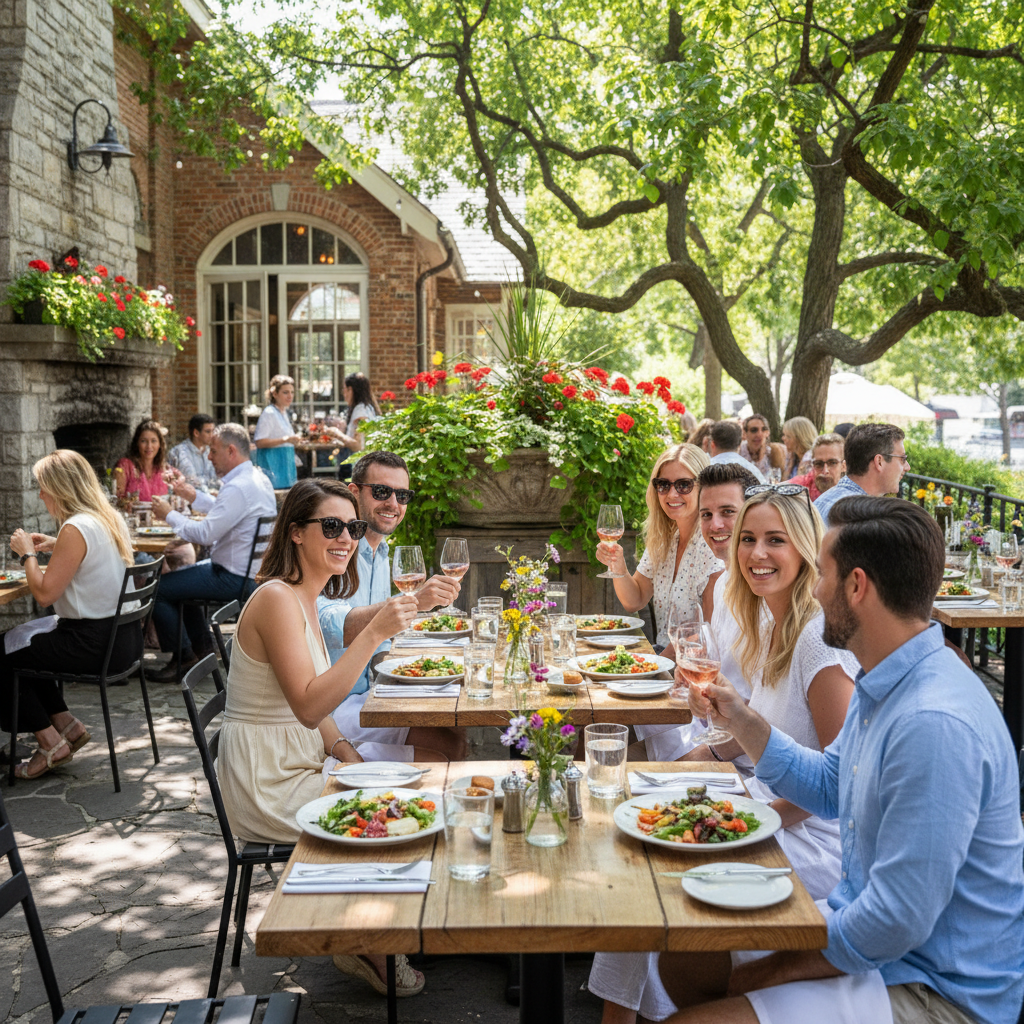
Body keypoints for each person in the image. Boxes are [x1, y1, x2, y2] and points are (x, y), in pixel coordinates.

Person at [656, 497, 1024, 1024]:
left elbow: (894, 922)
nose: (815, 589)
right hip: (878, 945)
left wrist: (765, 975)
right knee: (689, 958)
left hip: (935, 989)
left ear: (857, 586)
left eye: (822, 574)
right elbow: (831, 784)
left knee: (696, 1009)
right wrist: (739, 716)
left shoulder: (933, 722)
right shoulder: (889, 678)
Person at [589, 482, 859, 1024]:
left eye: (775, 540)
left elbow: (840, 784)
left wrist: (752, 818)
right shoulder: (768, 620)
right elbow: (757, 731)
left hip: (814, 837)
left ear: (806, 548)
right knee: (637, 832)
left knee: (655, 868)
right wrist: (708, 743)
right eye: (749, 539)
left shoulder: (815, 639)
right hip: (761, 803)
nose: (758, 554)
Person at [215, 477, 426, 998]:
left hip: (301, 758)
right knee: (395, 807)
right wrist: (375, 633)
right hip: (268, 781)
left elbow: (315, 707)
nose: (346, 538)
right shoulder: (276, 600)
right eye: (331, 526)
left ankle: (367, 926)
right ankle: (367, 943)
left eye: (351, 526)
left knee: (423, 778)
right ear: (295, 534)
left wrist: (345, 749)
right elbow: (309, 704)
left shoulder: (305, 596)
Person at [317, 451, 467, 761]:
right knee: (447, 744)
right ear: (354, 492)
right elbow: (331, 628)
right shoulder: (338, 549)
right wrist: (412, 602)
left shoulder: (381, 552)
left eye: (402, 495)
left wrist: (405, 672)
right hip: (332, 708)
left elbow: (382, 640)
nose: (393, 504)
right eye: (382, 492)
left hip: (370, 692)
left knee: (457, 725)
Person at [2, 450, 137, 779]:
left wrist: (27, 554)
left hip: (93, 643)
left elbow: (46, 593)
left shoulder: (76, 528)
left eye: (43, 487)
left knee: (3, 651)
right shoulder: (107, 516)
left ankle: (50, 743)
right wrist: (54, 544)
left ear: (60, 488)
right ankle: (68, 726)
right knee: (18, 643)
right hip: (124, 638)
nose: (40, 494)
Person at [148, 424, 276, 681]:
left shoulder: (239, 486)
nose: (208, 457)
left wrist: (168, 514)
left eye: (213, 451)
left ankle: (184, 657)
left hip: (234, 578)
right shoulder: (256, 478)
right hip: (249, 574)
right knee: (183, 580)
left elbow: (206, 534)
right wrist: (193, 496)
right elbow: (224, 509)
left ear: (231, 451)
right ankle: (203, 651)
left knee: (158, 588)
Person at [596, 443, 719, 650]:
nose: (672, 494)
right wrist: (617, 565)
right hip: (662, 655)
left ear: (703, 488)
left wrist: (656, 667)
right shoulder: (665, 540)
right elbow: (634, 600)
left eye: (684, 485)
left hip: (692, 664)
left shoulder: (712, 546)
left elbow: (708, 631)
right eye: (663, 485)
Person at [813, 423, 908, 526]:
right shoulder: (863, 518)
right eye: (902, 459)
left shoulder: (825, 500)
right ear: (879, 462)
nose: (907, 467)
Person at [253, 374, 302, 488]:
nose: (290, 396)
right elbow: (260, 442)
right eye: (285, 392)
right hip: (273, 467)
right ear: (275, 394)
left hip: (286, 468)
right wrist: (285, 439)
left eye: (292, 392)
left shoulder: (283, 412)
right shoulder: (269, 413)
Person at [114, 419, 181, 502]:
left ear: (160, 444)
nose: (149, 446)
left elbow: (181, 477)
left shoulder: (162, 468)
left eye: (153, 441)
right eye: (143, 441)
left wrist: (177, 483)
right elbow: (116, 499)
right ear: (137, 443)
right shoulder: (125, 465)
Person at [167, 413, 219, 493]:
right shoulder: (179, 453)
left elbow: (217, 478)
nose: (212, 435)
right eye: (208, 432)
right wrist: (210, 492)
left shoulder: (211, 452)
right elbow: (191, 482)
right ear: (196, 433)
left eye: (213, 431)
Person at [788, 432, 845, 501]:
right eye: (818, 464)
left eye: (832, 463)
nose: (825, 471)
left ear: (843, 466)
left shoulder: (852, 493)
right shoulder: (802, 486)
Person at [738, 414, 784, 478]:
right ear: (745, 433)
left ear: (767, 433)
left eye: (763, 429)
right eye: (754, 430)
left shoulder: (774, 453)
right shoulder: (738, 453)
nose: (759, 434)